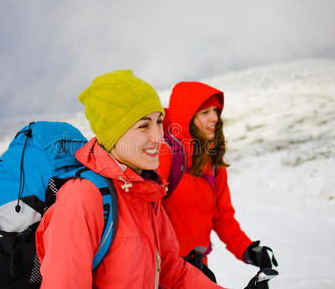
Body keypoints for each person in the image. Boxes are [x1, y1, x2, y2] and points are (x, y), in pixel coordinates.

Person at [35, 70, 224, 288]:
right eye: (144, 126)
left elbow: (172, 271)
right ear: (113, 134)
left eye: (159, 122)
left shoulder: (146, 190)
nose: (159, 137)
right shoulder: (83, 198)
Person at [159, 81, 277, 281]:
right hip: (164, 272)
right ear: (187, 115)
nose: (215, 118)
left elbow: (223, 217)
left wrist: (248, 250)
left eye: (216, 110)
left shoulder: (213, 163)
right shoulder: (165, 155)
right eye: (205, 112)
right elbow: (145, 215)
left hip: (198, 268)